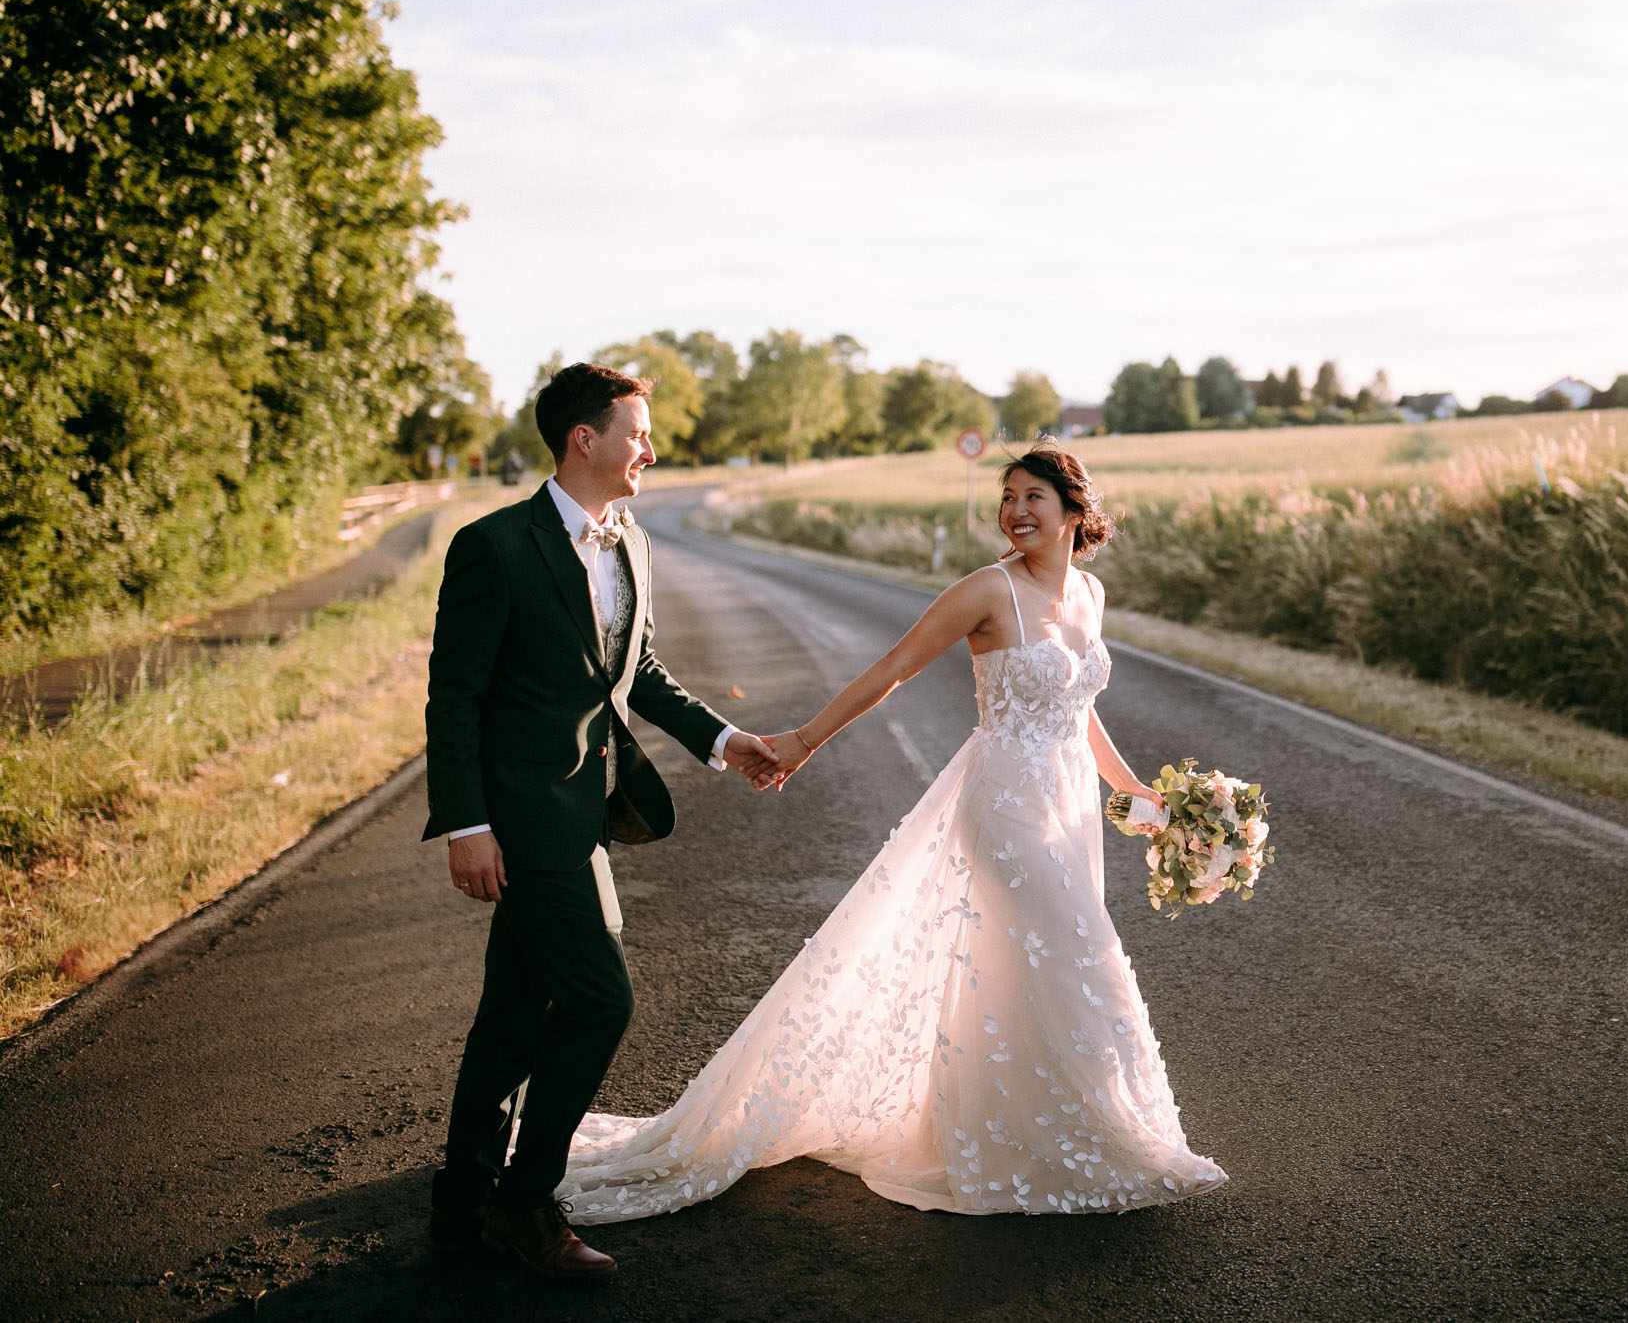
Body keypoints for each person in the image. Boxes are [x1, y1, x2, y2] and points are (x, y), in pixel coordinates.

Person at [556, 441, 1226, 1222]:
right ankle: (1104, 1134)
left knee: (1035, 967)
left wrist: (1135, 793)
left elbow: (1078, 712)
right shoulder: (986, 589)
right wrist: (803, 740)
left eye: (1033, 495)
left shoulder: (1090, 595)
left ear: (1076, 509)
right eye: (1007, 496)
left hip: (1070, 806)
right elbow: (896, 666)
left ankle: (1030, 1130)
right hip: (1007, 804)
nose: (1014, 510)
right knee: (1081, 952)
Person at [421, 362, 782, 1278]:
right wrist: (466, 823)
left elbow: (640, 673)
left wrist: (724, 739)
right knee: (599, 997)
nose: (649, 450)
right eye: (638, 432)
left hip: (584, 810)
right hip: (520, 820)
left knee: (515, 1010)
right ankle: (525, 1203)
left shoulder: (632, 544)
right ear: (585, 439)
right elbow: (454, 697)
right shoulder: (494, 546)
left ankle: (463, 1205)